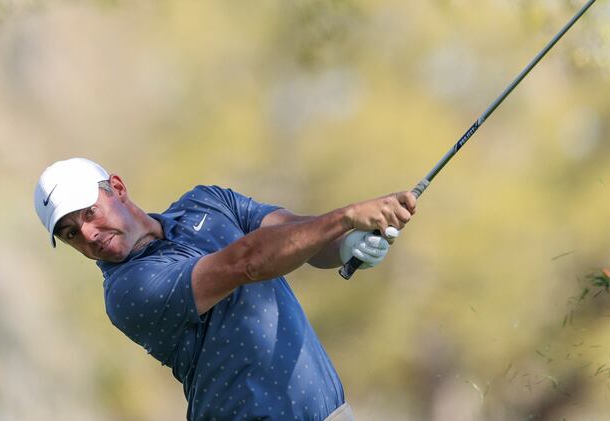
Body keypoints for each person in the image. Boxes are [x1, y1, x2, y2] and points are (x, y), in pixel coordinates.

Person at [33, 157, 416, 421]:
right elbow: (244, 263)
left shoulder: (207, 203)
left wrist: (346, 244)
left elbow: (300, 234)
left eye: (88, 213)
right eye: (70, 233)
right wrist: (346, 217)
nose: (88, 234)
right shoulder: (128, 291)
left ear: (117, 188)